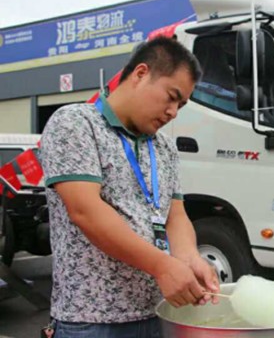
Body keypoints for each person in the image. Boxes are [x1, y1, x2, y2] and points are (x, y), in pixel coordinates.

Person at [40, 37, 220, 338]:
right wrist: (162, 266)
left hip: (157, 313)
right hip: (93, 321)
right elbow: (85, 211)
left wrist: (189, 258)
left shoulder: (164, 147)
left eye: (181, 105)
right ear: (140, 73)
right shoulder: (76, 123)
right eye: (171, 97)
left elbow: (175, 216)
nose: (173, 112)